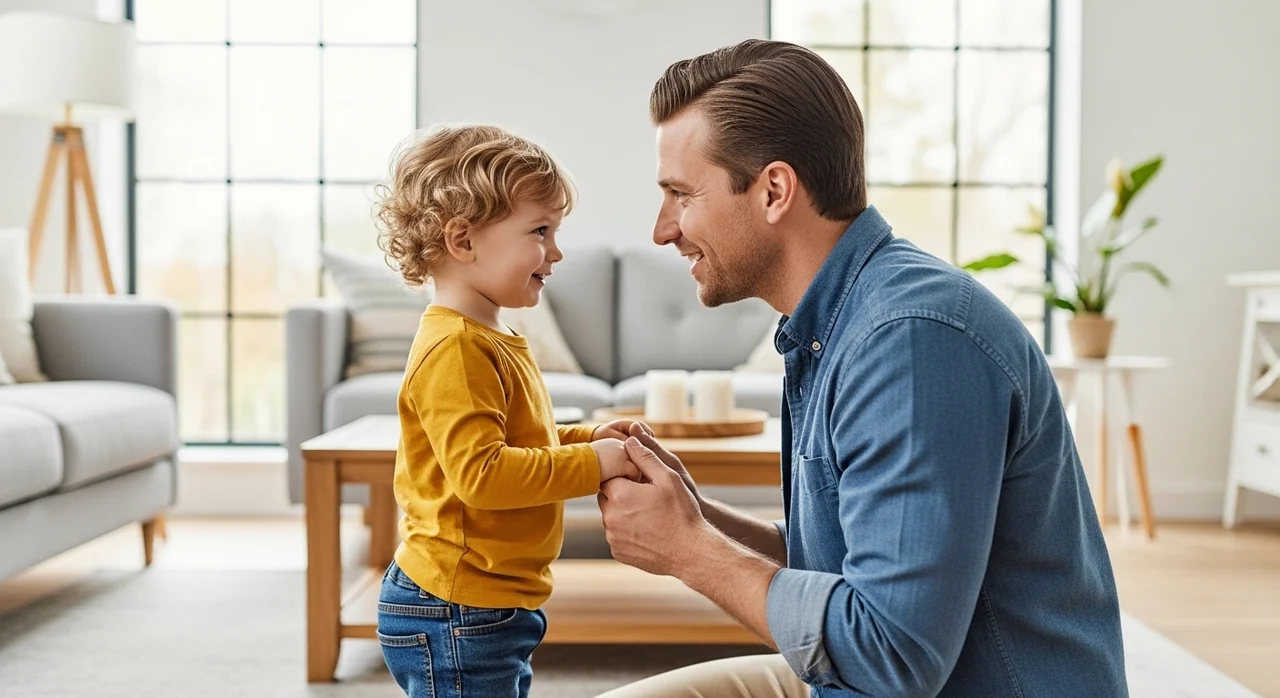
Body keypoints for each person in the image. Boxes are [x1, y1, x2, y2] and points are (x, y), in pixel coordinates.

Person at [596, 39, 1128, 697]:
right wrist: (696, 517)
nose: (661, 229)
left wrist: (691, 552)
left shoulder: (910, 341)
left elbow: (890, 656)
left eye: (680, 194)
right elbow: (844, 563)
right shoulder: (836, 327)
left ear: (773, 191)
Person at [371, 124, 645, 698]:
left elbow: (521, 438)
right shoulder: (457, 348)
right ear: (463, 241)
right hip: (457, 604)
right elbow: (484, 475)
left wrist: (588, 438)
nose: (557, 250)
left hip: (482, 600)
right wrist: (596, 463)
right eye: (540, 231)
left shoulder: (487, 334)